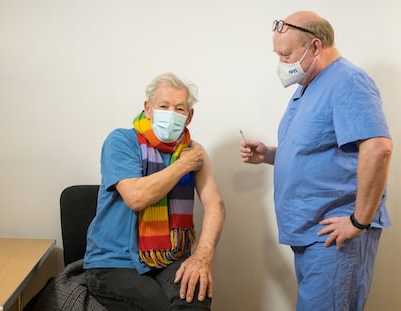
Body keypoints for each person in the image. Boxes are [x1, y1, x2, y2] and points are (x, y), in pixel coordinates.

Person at [240, 11, 393, 311]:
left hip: (335, 236)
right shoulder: (308, 86)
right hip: (312, 237)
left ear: (315, 46)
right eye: (278, 55)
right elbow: (316, 149)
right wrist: (270, 155)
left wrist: (357, 221)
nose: (281, 63)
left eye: (286, 54)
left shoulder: (348, 81)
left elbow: (378, 148)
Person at [83, 72, 226, 311]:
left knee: (195, 298)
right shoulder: (121, 141)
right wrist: (184, 165)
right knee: (157, 306)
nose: (171, 114)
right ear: (148, 108)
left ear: (189, 117)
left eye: (179, 108)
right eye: (163, 106)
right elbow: (137, 197)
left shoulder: (193, 150)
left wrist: (202, 256)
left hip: (169, 259)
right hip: (115, 262)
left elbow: (215, 205)